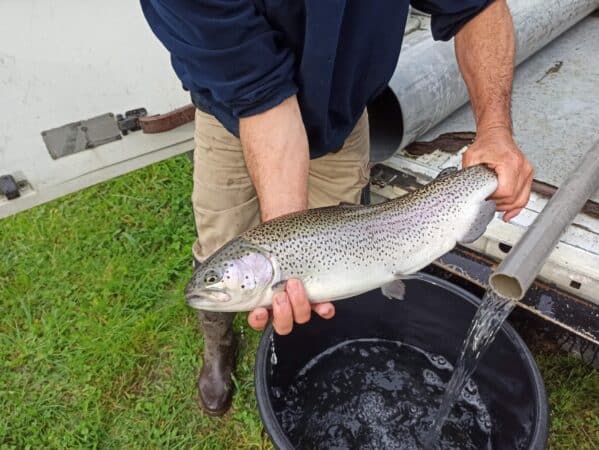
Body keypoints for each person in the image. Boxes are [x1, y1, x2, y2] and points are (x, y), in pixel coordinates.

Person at [140, 0, 534, 416]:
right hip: (230, 107)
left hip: (341, 115)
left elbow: (476, 5)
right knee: (220, 237)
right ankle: (217, 344)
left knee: (339, 279)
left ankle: (316, 348)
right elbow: (261, 99)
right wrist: (288, 241)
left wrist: (494, 131)